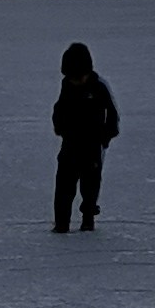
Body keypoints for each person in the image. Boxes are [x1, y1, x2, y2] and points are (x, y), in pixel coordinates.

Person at [51, 41, 120, 232]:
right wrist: (59, 126)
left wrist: (108, 134)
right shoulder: (66, 86)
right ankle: (61, 222)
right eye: (71, 77)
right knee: (64, 185)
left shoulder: (99, 87)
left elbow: (112, 113)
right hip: (70, 144)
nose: (75, 81)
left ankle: (88, 217)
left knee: (90, 185)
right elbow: (59, 109)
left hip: (92, 145)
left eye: (79, 77)